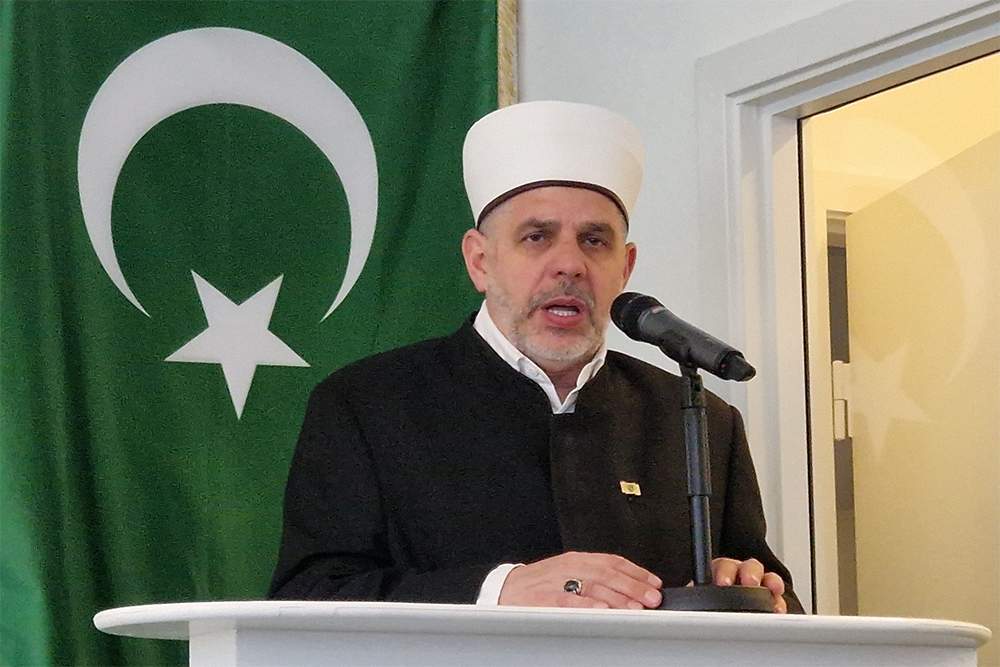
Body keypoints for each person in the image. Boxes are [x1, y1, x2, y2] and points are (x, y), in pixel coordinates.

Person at [269, 101, 803, 613]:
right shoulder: (367, 404)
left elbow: (781, 607)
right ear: (480, 261)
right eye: (537, 237)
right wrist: (500, 589)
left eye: (594, 241)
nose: (569, 264)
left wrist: (748, 591)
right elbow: (310, 596)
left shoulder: (701, 419)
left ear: (625, 268)